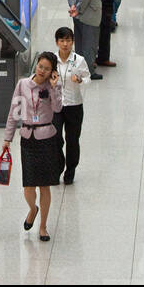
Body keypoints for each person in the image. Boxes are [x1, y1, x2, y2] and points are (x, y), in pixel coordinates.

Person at [1, 51, 63, 241]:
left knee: (44, 186)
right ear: (36, 65)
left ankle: (43, 226)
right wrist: (7, 138)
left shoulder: (53, 85)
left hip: (46, 139)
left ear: (53, 71)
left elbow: (58, 108)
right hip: (28, 138)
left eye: (47, 69)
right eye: (40, 67)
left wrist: (54, 88)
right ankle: (32, 209)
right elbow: (14, 112)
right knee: (29, 187)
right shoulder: (23, 84)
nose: (42, 71)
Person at [51, 28, 91, 184]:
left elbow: (88, 79)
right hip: (56, 106)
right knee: (55, 139)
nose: (65, 44)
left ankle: (71, 169)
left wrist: (80, 80)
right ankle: (57, 167)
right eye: (62, 41)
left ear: (72, 42)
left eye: (68, 40)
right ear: (57, 42)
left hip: (74, 105)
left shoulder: (79, 60)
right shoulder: (51, 59)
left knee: (72, 139)